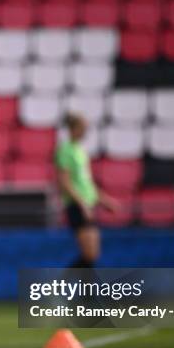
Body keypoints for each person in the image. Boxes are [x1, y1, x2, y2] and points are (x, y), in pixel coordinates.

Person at [55, 113, 118, 268]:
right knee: (89, 254)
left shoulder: (80, 150)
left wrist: (103, 200)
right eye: (83, 128)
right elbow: (65, 182)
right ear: (74, 129)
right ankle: (60, 286)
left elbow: (86, 182)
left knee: (92, 254)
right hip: (77, 206)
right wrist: (82, 204)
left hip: (88, 204)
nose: (85, 132)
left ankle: (85, 291)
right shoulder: (65, 150)